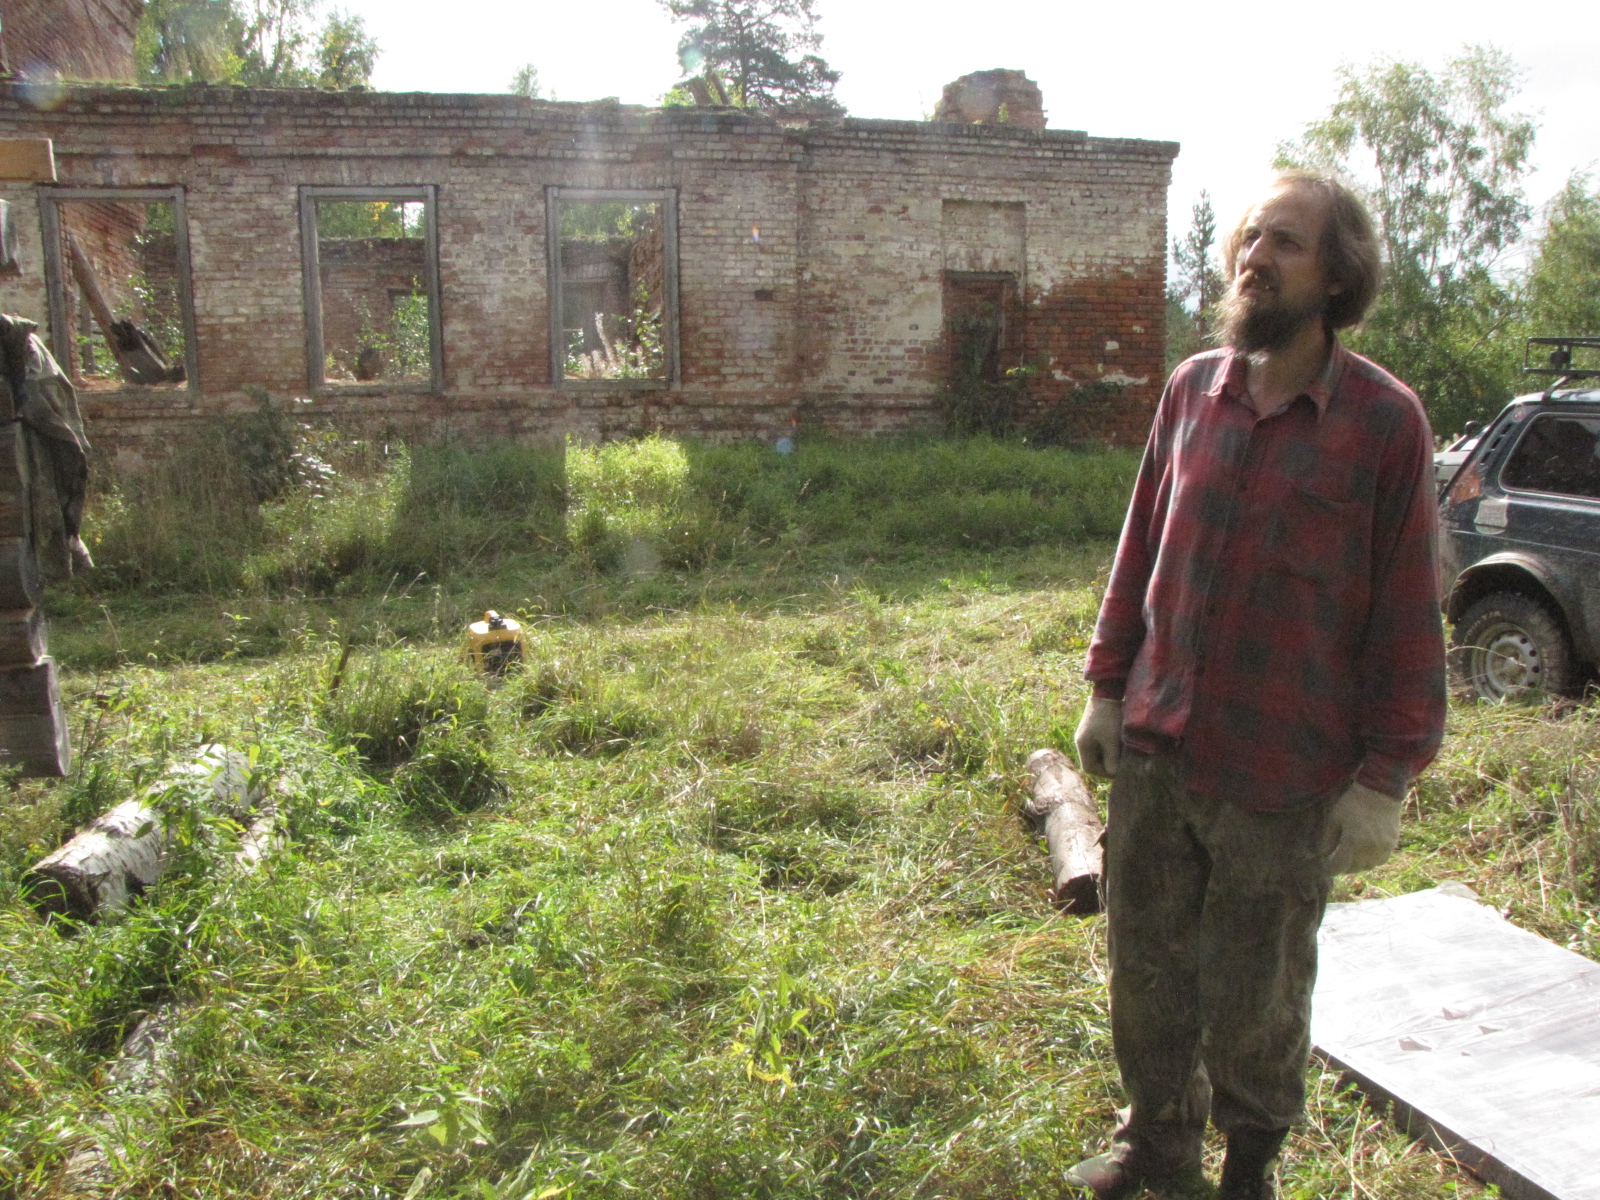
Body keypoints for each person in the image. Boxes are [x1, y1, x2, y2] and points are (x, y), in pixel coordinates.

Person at [1067, 170, 1447, 1200]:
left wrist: (1383, 781)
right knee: (1146, 971)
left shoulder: (1384, 422)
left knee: (1258, 990)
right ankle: (1157, 1148)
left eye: (1285, 242)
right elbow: (1141, 546)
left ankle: (1248, 1170)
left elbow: (1407, 610)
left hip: (1284, 770)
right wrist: (1106, 686)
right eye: (1248, 238)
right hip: (1161, 746)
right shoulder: (1192, 390)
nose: (1254, 258)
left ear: (1337, 277)